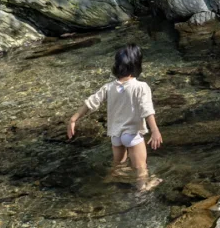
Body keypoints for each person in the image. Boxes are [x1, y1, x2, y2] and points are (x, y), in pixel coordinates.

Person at [67, 44, 163, 190]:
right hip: (132, 135)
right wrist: (155, 130)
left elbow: (91, 102)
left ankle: (108, 183)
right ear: (136, 65)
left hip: (115, 136)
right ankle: (143, 188)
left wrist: (73, 119)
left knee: (118, 166)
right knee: (141, 168)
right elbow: (147, 109)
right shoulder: (141, 86)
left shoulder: (109, 87)